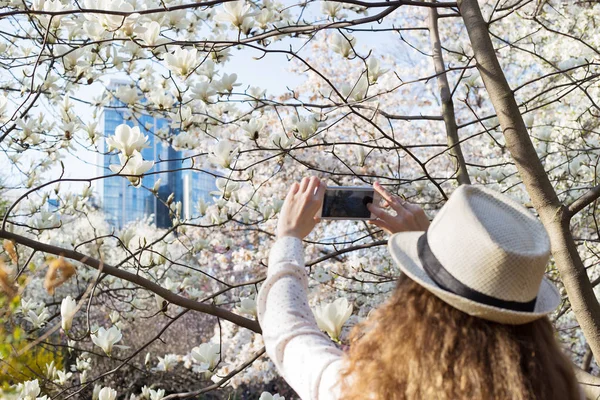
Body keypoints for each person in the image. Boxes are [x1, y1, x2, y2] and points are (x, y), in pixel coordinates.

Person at [256, 177, 581, 400]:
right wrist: (431, 246)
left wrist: (289, 238)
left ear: (419, 306)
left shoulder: (375, 391)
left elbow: (290, 333)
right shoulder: (561, 391)